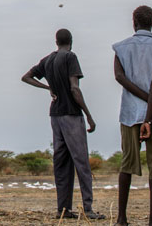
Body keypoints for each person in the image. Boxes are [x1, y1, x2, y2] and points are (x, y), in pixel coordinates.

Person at [22, 28, 104, 220]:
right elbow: (75, 88)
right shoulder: (70, 57)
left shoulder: (48, 60)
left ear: (56, 41)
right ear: (71, 41)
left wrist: (48, 87)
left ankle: (63, 209)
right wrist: (88, 115)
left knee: (61, 163)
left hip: (55, 116)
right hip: (71, 115)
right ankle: (88, 209)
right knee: (81, 161)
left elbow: (26, 77)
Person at [113, 5, 152, 226]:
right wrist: (150, 114)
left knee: (127, 164)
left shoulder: (120, 48)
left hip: (130, 113)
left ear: (134, 22)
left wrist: (142, 107)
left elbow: (120, 78)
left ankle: (121, 218)